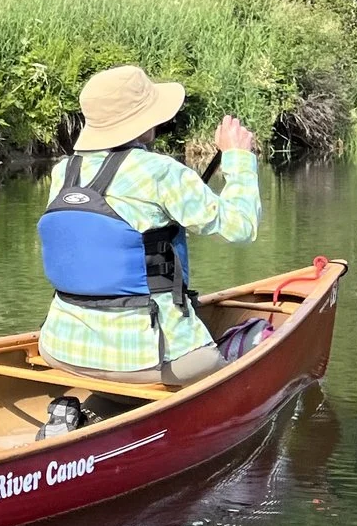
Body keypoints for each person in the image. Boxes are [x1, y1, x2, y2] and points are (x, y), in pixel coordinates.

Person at [36, 63, 259, 391]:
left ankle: (88, 408)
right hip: (152, 359)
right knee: (256, 335)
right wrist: (238, 159)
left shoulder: (63, 172)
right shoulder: (162, 172)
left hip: (59, 348)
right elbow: (241, 227)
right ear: (145, 121)